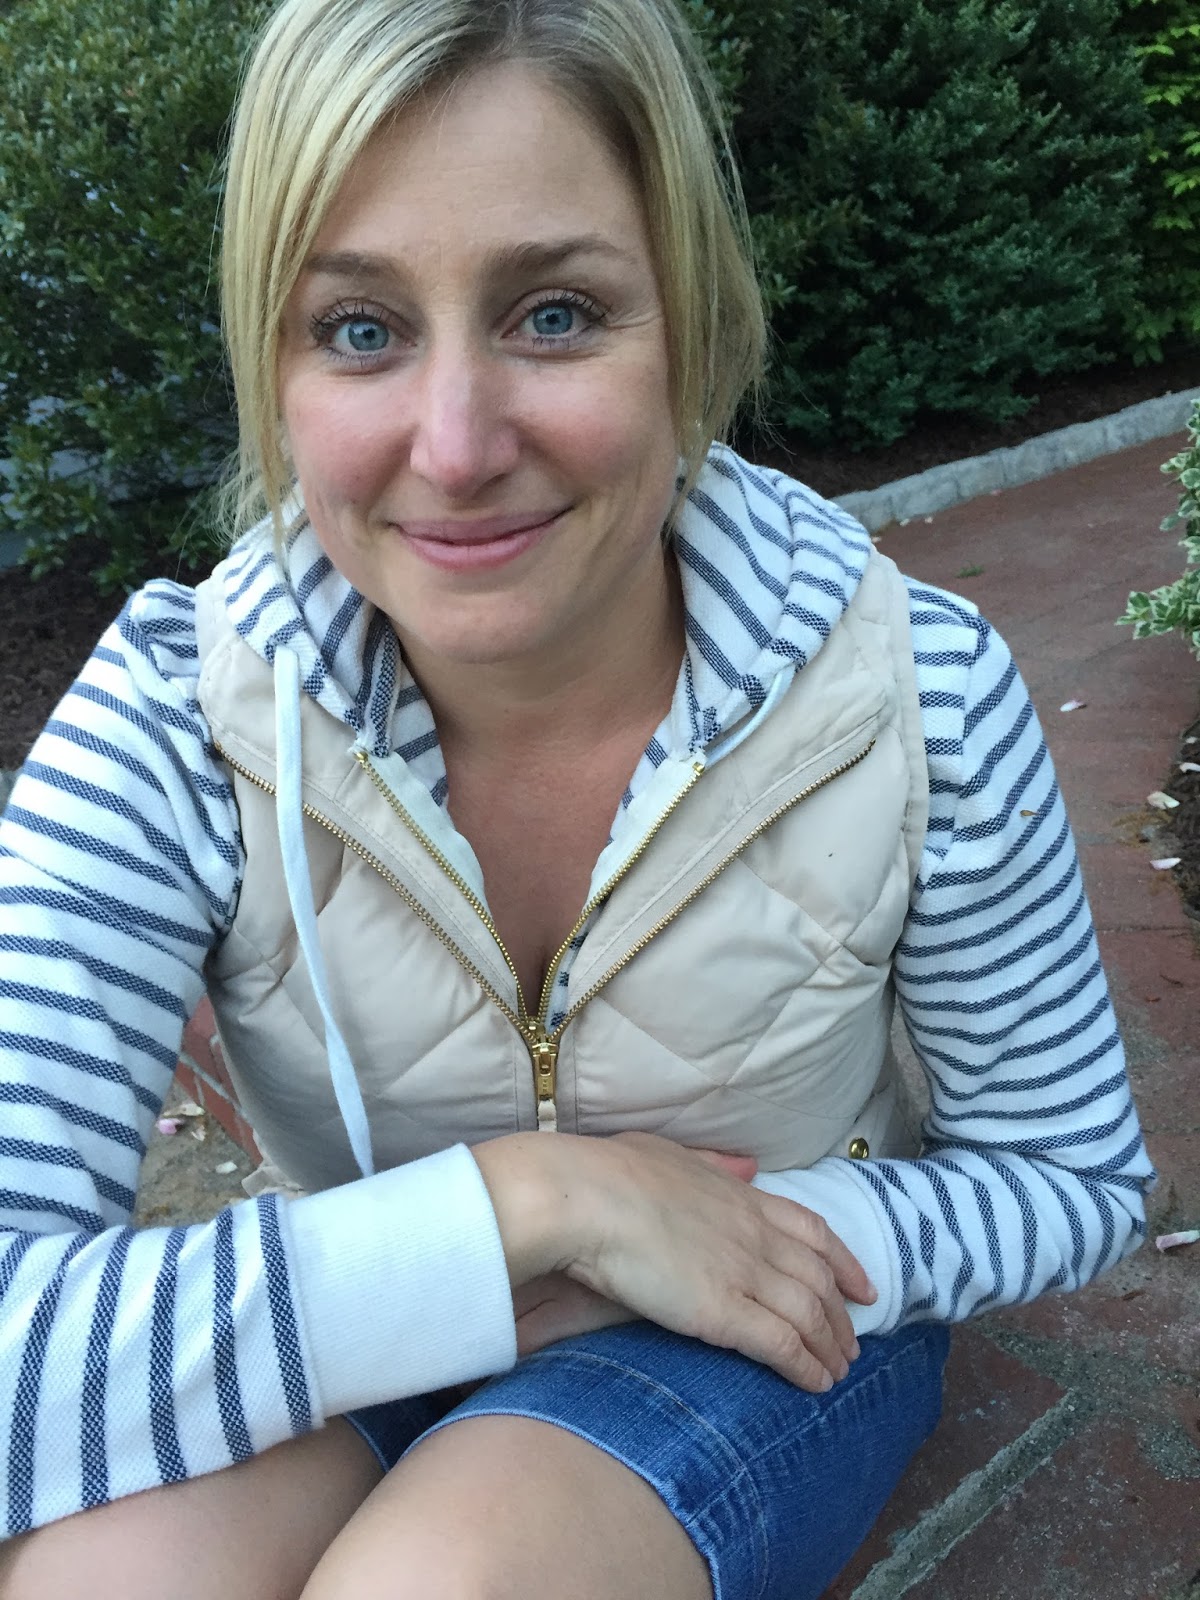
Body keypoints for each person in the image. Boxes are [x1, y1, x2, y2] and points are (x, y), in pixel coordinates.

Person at [0, 0, 1153, 1595]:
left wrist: (743, 1241)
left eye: (554, 314)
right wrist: (542, 1207)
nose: (457, 444)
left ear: (692, 327)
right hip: (386, 1291)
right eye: (360, 329)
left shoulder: (917, 695)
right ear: (272, 364)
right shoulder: (175, 722)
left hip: (767, 1319)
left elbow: (1075, 1177)